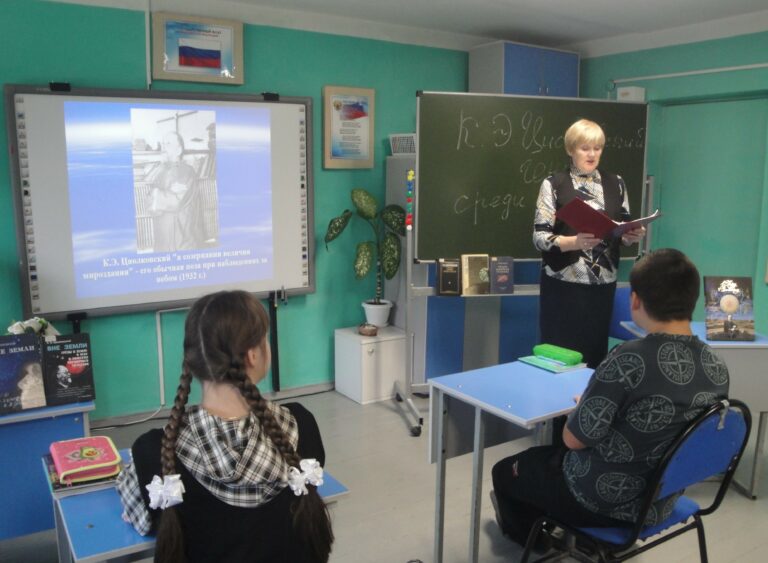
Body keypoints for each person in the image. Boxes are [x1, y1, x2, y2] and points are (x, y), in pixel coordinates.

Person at [490, 248, 730, 550]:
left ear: (635, 300)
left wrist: (584, 407)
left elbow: (573, 440)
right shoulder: (715, 365)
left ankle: (537, 544)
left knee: (507, 471)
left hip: (600, 501)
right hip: (662, 499)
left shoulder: (629, 358)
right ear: (693, 300)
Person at [116, 290, 334, 563]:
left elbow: (139, 519)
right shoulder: (302, 425)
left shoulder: (152, 451)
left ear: (193, 359)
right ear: (253, 355)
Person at [533, 118, 646, 369]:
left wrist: (630, 235)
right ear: (570, 149)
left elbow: (621, 226)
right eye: (585, 148)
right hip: (563, 286)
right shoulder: (554, 184)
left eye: (597, 148)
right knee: (560, 359)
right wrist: (573, 241)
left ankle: (590, 395)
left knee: (594, 358)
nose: (592, 154)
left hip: (602, 287)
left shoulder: (616, 182)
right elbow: (539, 237)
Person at [149, 131, 205, 252]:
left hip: (181, 242)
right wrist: (165, 194)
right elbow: (147, 201)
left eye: (168, 144)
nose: (163, 147)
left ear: (179, 150)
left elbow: (176, 201)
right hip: (162, 241)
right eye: (163, 144)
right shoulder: (160, 171)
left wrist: (156, 195)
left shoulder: (186, 172)